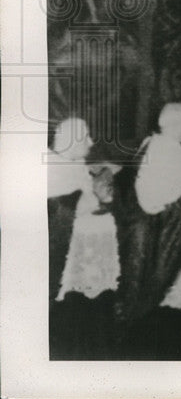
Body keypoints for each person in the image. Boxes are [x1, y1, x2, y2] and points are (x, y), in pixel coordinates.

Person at [116, 103, 181, 358]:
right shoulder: (170, 151)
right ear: (176, 125)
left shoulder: (152, 144)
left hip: (152, 226)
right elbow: (175, 194)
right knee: (174, 298)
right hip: (168, 229)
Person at [47, 117, 120, 359]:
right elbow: (71, 211)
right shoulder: (53, 168)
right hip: (64, 252)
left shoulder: (73, 162)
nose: (90, 141)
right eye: (85, 136)